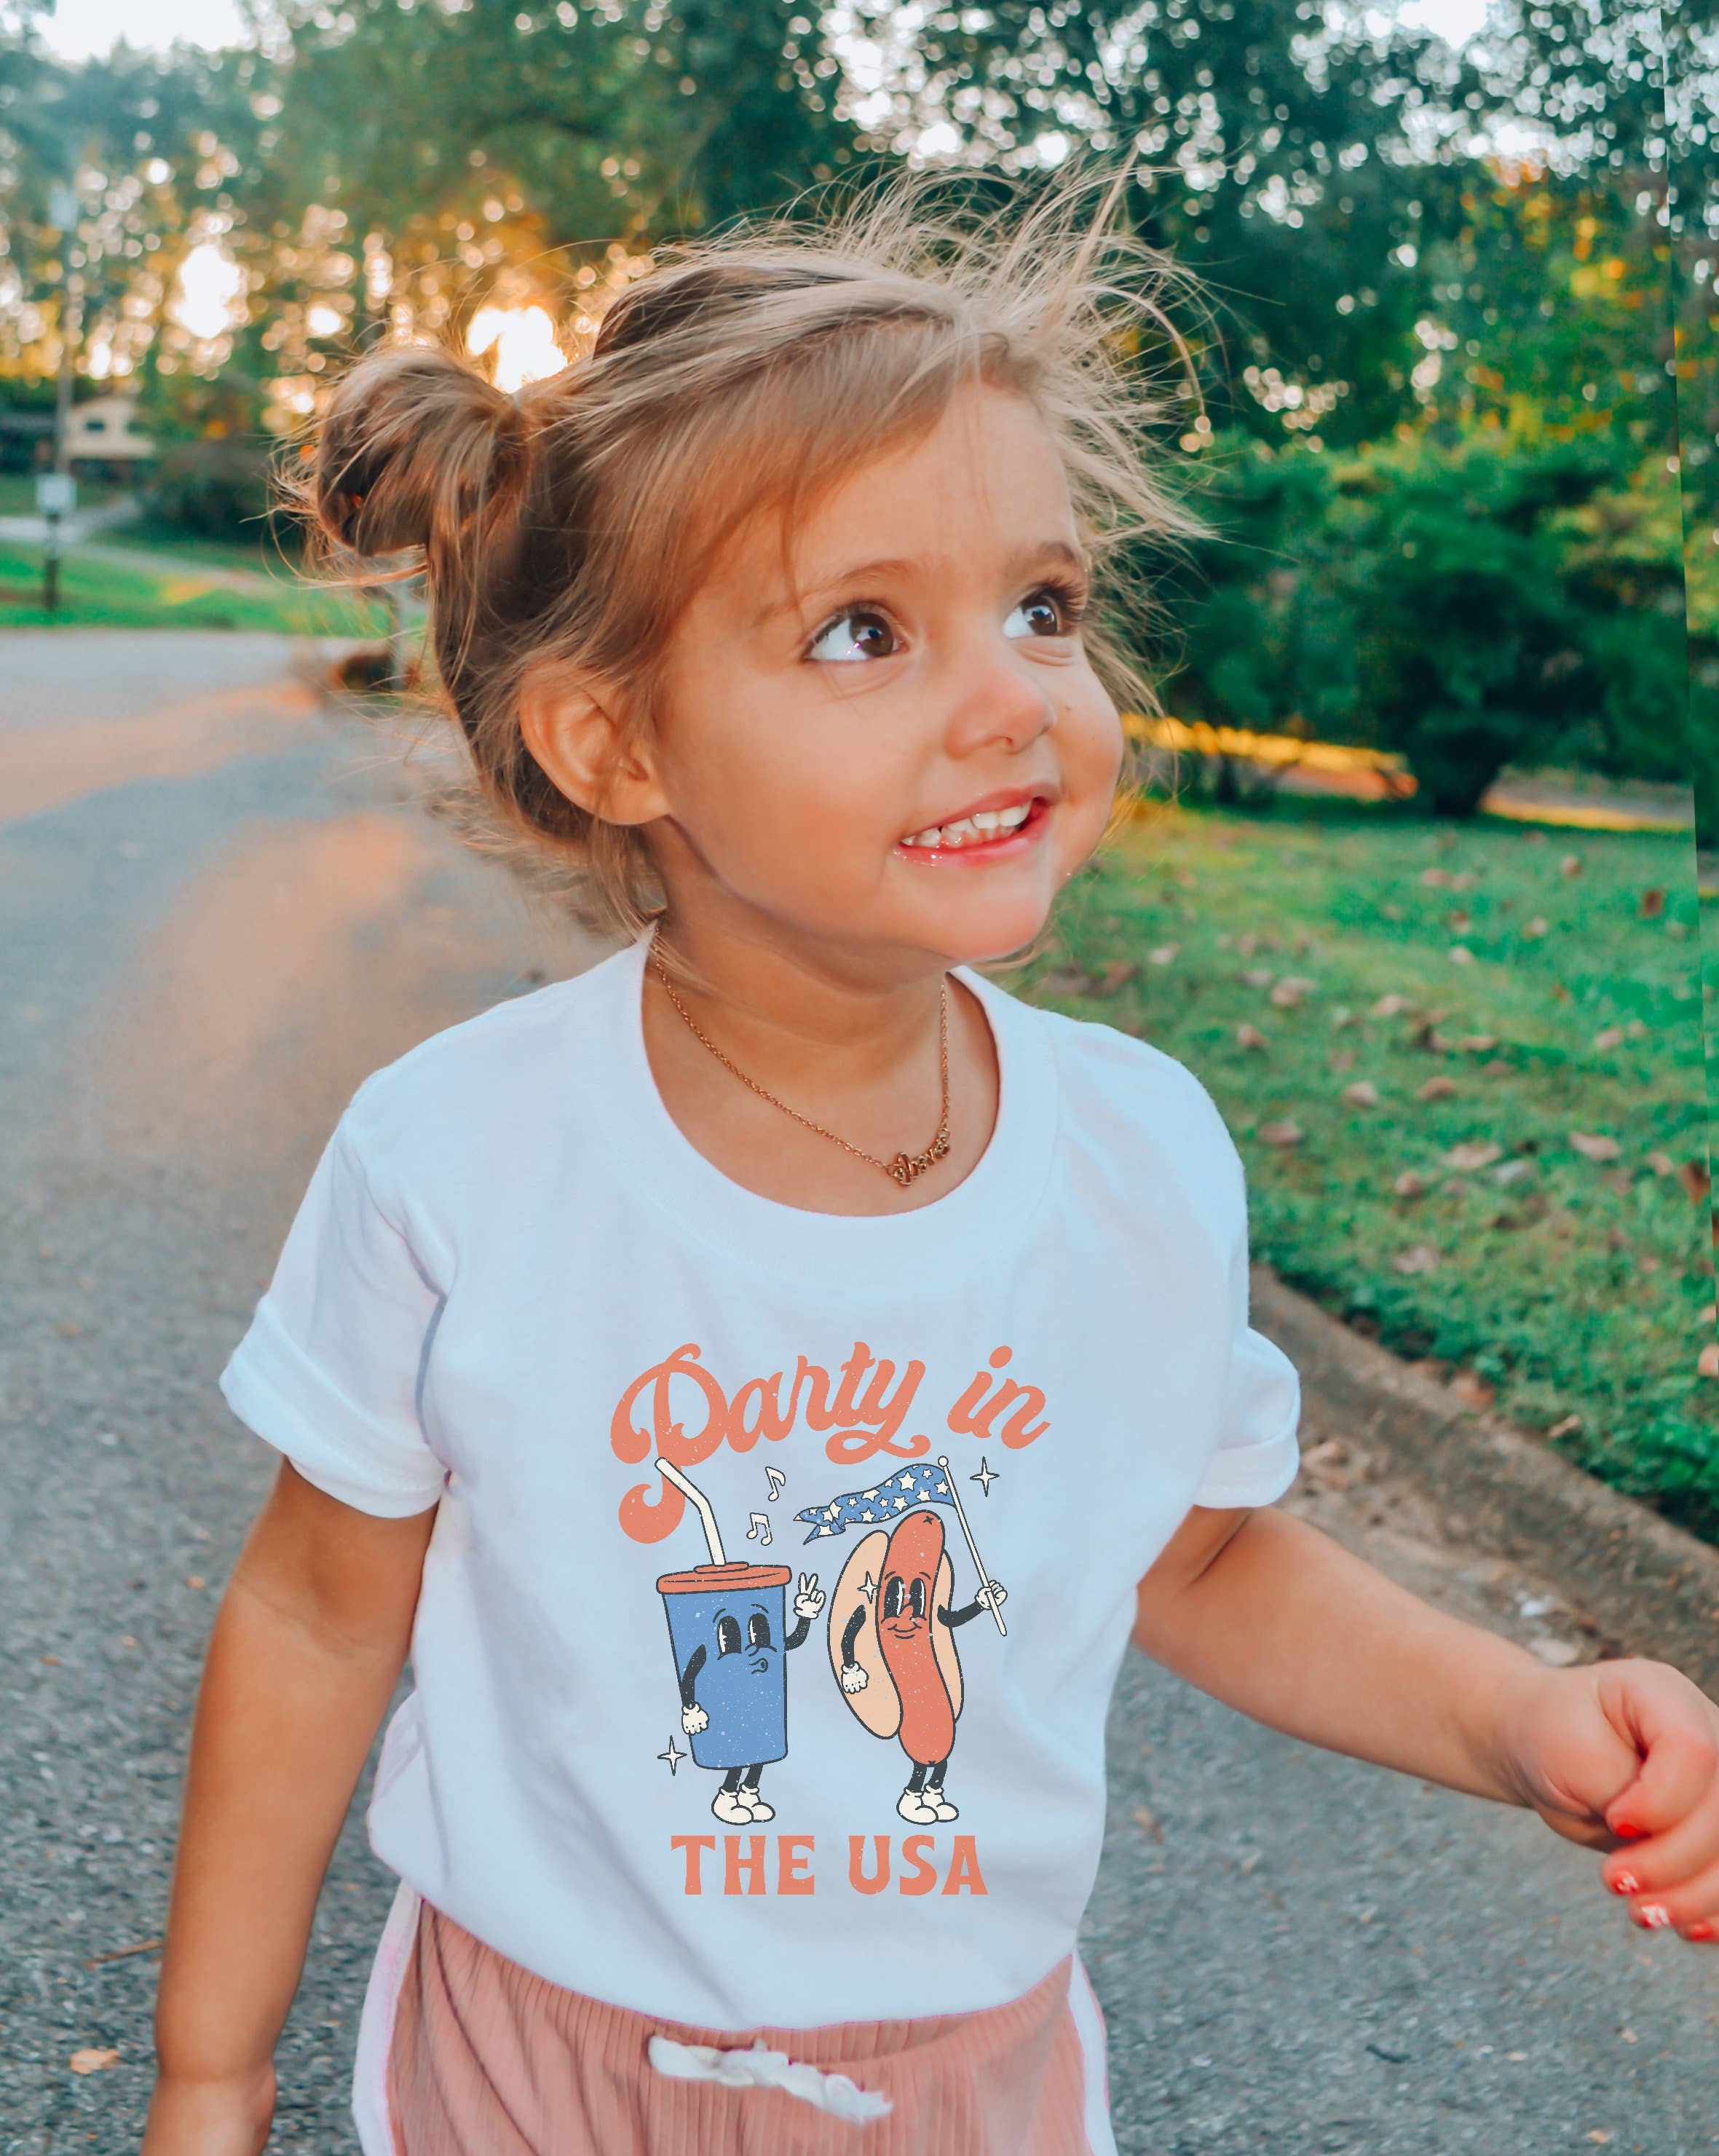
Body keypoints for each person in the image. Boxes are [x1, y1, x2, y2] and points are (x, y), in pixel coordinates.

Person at [141, 165, 1719, 2156]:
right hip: (537, 2075)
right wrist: (209, 2075)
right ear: (612, 744)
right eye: (864, 631)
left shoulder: (1135, 1154)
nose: (1011, 703)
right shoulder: (459, 1156)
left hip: (964, 2085)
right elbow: (314, 1615)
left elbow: (1200, 1548)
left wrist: (1517, 1711)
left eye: (1042, 608)